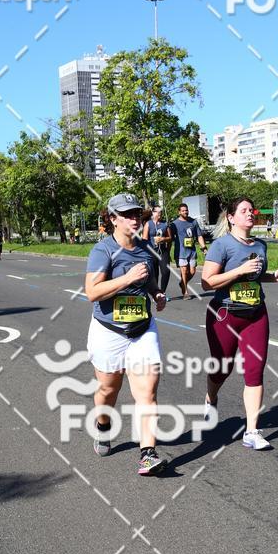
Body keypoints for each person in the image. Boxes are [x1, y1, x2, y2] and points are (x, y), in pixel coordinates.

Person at [85, 192, 168, 476]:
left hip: (142, 329)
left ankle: (147, 453)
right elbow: (92, 292)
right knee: (109, 390)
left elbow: (148, 280)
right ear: (112, 219)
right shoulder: (103, 251)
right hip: (109, 331)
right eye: (127, 215)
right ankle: (103, 427)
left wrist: (156, 293)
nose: (134, 219)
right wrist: (126, 279)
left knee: (147, 392)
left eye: (137, 214)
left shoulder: (146, 248)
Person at [201, 196, 278, 450]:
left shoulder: (260, 245)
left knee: (255, 370)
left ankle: (251, 431)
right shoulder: (222, 245)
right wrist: (238, 271)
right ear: (231, 217)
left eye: (252, 210)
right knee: (222, 368)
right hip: (225, 315)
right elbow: (208, 282)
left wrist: (275, 277)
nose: (250, 214)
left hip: (256, 314)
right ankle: (211, 398)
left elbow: (257, 276)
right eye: (244, 210)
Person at [169, 203, 207, 299]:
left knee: (192, 271)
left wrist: (203, 247)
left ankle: (182, 283)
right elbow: (170, 237)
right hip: (181, 251)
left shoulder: (193, 222)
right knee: (184, 270)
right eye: (183, 210)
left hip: (192, 251)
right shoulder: (175, 224)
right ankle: (185, 292)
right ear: (179, 212)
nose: (185, 212)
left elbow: (199, 235)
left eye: (186, 210)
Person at [142, 205, 172, 297]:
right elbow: (144, 239)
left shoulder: (165, 224)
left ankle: (162, 292)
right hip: (152, 252)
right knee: (154, 274)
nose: (160, 214)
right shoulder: (148, 224)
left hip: (162, 251)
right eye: (158, 212)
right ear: (153, 213)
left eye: (161, 212)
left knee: (166, 272)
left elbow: (170, 238)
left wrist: (163, 239)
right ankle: (156, 293)